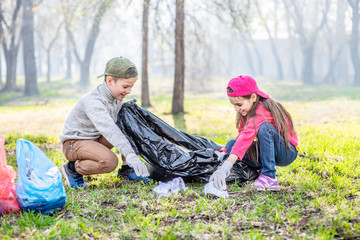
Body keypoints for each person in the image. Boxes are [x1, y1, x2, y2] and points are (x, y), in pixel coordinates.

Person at [60, 56, 150, 189]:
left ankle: (126, 169)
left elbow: (119, 125)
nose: (129, 91)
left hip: (96, 139)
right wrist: (130, 153)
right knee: (109, 162)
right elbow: (109, 129)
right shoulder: (93, 101)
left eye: (131, 87)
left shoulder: (116, 97)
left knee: (128, 122)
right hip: (75, 143)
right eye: (125, 86)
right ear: (109, 81)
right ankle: (72, 169)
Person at [209, 75, 299, 191]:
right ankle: (263, 171)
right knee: (232, 144)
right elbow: (242, 135)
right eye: (234, 105)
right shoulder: (246, 111)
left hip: (286, 152)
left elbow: (246, 139)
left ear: (253, 97)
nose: (236, 109)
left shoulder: (262, 111)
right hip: (270, 150)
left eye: (239, 104)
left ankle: (269, 176)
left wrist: (225, 167)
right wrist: (225, 150)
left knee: (265, 128)